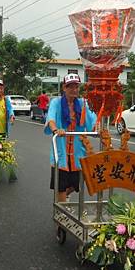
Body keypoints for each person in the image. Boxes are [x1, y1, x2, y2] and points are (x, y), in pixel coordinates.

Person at [44, 74, 96, 202]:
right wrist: (56, 129)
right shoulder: (56, 102)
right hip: (62, 150)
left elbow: (91, 123)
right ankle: (62, 213)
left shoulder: (82, 103)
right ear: (64, 88)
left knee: (75, 183)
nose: (74, 89)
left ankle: (63, 199)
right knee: (61, 185)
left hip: (77, 151)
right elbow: (51, 119)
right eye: (70, 86)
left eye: (76, 86)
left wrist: (98, 125)